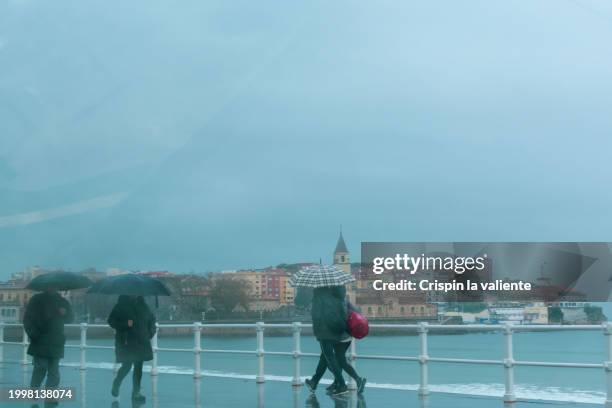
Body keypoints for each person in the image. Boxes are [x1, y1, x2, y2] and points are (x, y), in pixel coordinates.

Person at [306, 285, 366, 396]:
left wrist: (317, 331)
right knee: (327, 358)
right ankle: (316, 381)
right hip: (341, 332)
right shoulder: (340, 299)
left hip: (327, 333)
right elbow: (351, 313)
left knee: (330, 359)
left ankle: (341, 383)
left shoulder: (320, 299)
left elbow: (317, 316)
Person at [23, 287, 74, 405]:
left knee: (54, 372)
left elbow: (71, 318)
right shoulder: (36, 300)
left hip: (56, 340)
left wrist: (65, 313)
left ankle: (50, 397)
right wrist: (34, 335)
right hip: (40, 340)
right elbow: (27, 320)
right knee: (40, 368)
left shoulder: (62, 301)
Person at [108, 295, 156, 402]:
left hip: (141, 341)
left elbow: (152, 320)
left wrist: (150, 333)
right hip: (126, 342)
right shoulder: (121, 305)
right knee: (127, 366)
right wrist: (125, 324)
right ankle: (117, 383)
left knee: (138, 368)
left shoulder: (144, 305)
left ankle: (136, 393)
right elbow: (111, 321)